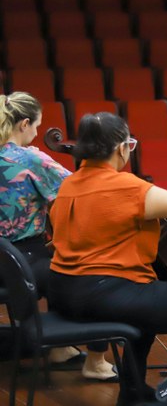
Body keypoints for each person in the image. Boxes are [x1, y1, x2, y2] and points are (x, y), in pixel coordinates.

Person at [47, 112, 167, 404]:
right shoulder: (125, 186)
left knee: (144, 306)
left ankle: (133, 393)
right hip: (105, 294)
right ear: (121, 148)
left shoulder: (69, 184)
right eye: (129, 145)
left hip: (64, 292)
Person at [0, 92, 115, 381]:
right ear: (24, 123)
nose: (38, 133)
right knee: (91, 272)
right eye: (37, 126)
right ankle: (97, 362)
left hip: (4, 262)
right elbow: (80, 187)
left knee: (52, 258)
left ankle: (58, 349)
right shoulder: (29, 158)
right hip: (20, 262)